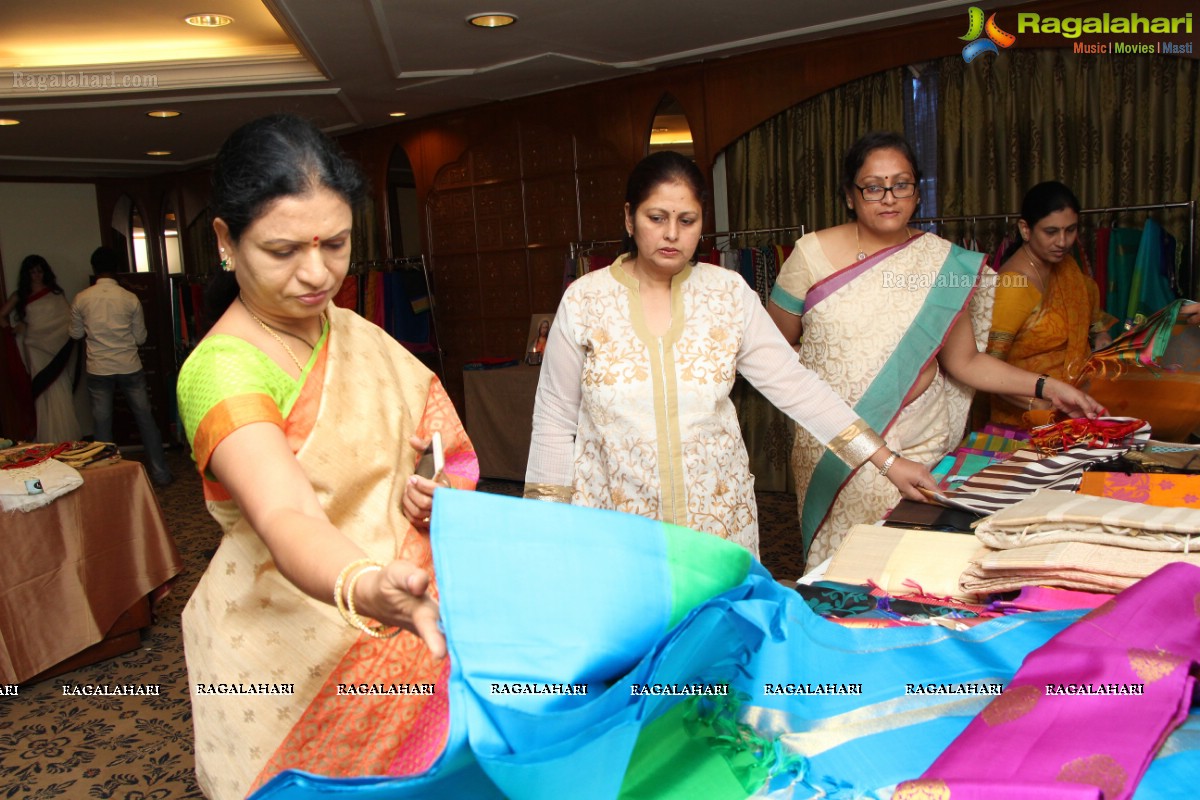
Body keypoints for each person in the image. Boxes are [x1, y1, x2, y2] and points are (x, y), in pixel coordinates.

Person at [174, 114, 478, 800]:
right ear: (225, 240)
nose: (317, 274)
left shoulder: (352, 331)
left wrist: (424, 485)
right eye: (282, 251)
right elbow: (287, 515)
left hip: (401, 633)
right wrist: (367, 588)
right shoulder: (222, 372)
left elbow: (432, 444)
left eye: (336, 244)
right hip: (289, 661)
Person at [525, 150, 934, 558]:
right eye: (656, 218)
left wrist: (887, 462)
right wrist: (545, 531)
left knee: (720, 622)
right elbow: (554, 420)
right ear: (630, 218)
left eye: (687, 221)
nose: (672, 234)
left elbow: (797, 387)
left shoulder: (728, 294)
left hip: (717, 524)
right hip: (615, 526)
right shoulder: (585, 301)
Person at [768, 132, 1103, 568]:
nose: (888, 197)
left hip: (921, 440)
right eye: (873, 186)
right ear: (850, 195)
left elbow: (965, 362)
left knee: (909, 567)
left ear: (917, 190)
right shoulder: (810, 255)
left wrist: (1047, 386)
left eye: (902, 184)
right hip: (837, 444)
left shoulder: (943, 263)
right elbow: (776, 348)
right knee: (840, 567)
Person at [986, 181, 1119, 427]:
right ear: (1026, 229)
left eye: (1071, 230)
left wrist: (1102, 339)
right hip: (1025, 422)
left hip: (1074, 408)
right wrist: (1041, 405)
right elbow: (989, 370)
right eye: (1051, 232)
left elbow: (1090, 315)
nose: (1063, 241)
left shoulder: (1066, 266)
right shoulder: (1013, 286)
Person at [69, 247, 173, 485]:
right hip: (129, 365)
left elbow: (74, 334)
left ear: (94, 269)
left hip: (98, 367)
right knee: (145, 419)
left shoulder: (81, 298)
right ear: (117, 269)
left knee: (102, 424)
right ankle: (160, 473)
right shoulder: (130, 298)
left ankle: (105, 479)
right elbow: (140, 338)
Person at [0, 255, 81, 442]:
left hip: (57, 350)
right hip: (35, 350)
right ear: (27, 274)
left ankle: (66, 437)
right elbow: (2, 315)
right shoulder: (21, 295)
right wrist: (15, 328)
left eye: (39, 271)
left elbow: (66, 322)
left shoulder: (55, 293)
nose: (36, 275)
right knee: (43, 391)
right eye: (32, 272)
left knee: (61, 389)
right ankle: (47, 438)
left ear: (45, 272)